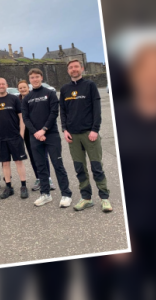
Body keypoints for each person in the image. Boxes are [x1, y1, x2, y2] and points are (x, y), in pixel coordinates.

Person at [60, 59, 112, 212]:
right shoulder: (64, 89)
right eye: (71, 67)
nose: (74, 69)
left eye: (76, 66)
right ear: (68, 71)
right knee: (79, 168)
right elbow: (63, 111)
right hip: (73, 136)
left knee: (97, 167)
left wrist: (95, 129)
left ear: (82, 68)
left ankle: (104, 198)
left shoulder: (90, 85)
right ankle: (86, 198)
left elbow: (97, 109)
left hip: (90, 133)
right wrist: (65, 129)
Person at [22, 68, 73, 207]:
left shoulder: (50, 93)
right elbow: (25, 118)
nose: (35, 79)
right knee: (41, 166)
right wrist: (36, 133)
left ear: (41, 78)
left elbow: (54, 112)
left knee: (58, 165)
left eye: (37, 76)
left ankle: (66, 194)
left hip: (51, 134)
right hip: (35, 137)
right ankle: (45, 194)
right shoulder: (27, 98)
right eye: (32, 77)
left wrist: (43, 130)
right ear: (30, 80)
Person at [0, 77, 29, 199]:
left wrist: (21, 134)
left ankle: (23, 186)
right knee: (5, 163)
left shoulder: (14, 99)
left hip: (15, 136)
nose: (1, 86)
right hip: (0, 138)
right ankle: (8, 187)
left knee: (19, 162)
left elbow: (21, 117)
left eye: (3, 84)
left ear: (6, 85)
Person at [17, 79, 53, 192]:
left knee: (43, 155)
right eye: (20, 88)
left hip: (37, 131)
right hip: (26, 133)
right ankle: (38, 178)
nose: (23, 89)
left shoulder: (33, 97)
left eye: (24, 87)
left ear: (28, 88)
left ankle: (48, 178)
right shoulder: (17, 101)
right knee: (32, 156)